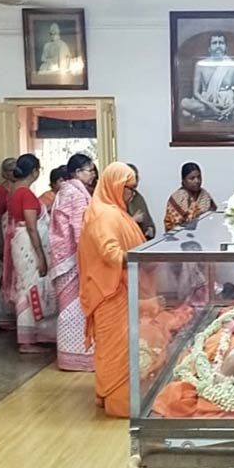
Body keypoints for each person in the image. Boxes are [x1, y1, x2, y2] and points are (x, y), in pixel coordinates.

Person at [78, 162, 147, 417]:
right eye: (129, 188)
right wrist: (143, 257)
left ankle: (108, 396)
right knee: (115, 350)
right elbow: (111, 254)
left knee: (122, 347)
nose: (131, 194)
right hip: (109, 292)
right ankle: (118, 404)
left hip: (121, 289)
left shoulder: (116, 212)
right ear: (117, 186)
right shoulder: (103, 214)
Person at [3, 154, 58, 353]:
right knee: (30, 288)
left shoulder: (15, 191)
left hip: (22, 241)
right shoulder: (25, 193)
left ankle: (34, 336)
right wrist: (41, 257)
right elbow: (32, 227)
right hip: (28, 244)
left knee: (27, 287)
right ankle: (27, 340)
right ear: (34, 171)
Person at [49, 154, 96, 371]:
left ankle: (69, 356)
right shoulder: (77, 194)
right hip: (73, 258)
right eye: (89, 169)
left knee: (68, 308)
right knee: (75, 308)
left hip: (61, 257)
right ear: (77, 172)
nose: (93, 174)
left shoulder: (64, 190)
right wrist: (89, 257)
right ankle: (78, 356)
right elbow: (80, 230)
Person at [179, 33, 234, 123]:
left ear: (225, 48)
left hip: (228, 102)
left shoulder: (232, 65)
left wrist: (230, 108)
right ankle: (223, 117)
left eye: (221, 43)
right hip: (206, 102)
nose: (218, 46)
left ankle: (206, 116)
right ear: (209, 48)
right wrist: (211, 106)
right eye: (215, 43)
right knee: (183, 103)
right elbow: (196, 93)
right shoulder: (200, 64)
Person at [0, 157, 17, 331]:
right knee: (4, 275)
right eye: (9, 169)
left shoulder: (21, 188)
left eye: (16, 169)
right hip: (6, 238)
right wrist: (1, 245)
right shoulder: (1, 191)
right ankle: (5, 317)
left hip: (19, 239)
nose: (13, 172)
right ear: (3, 173)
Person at [163, 162, 217, 232]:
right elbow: (172, 226)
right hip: (181, 238)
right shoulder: (178, 198)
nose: (197, 181)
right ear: (184, 180)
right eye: (192, 178)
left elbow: (213, 218)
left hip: (205, 235)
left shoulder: (205, 195)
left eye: (199, 177)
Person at [126, 163, 156, 240]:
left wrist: (150, 229)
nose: (136, 179)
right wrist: (133, 220)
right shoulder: (115, 199)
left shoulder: (138, 197)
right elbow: (116, 228)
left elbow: (149, 221)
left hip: (141, 242)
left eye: (136, 176)